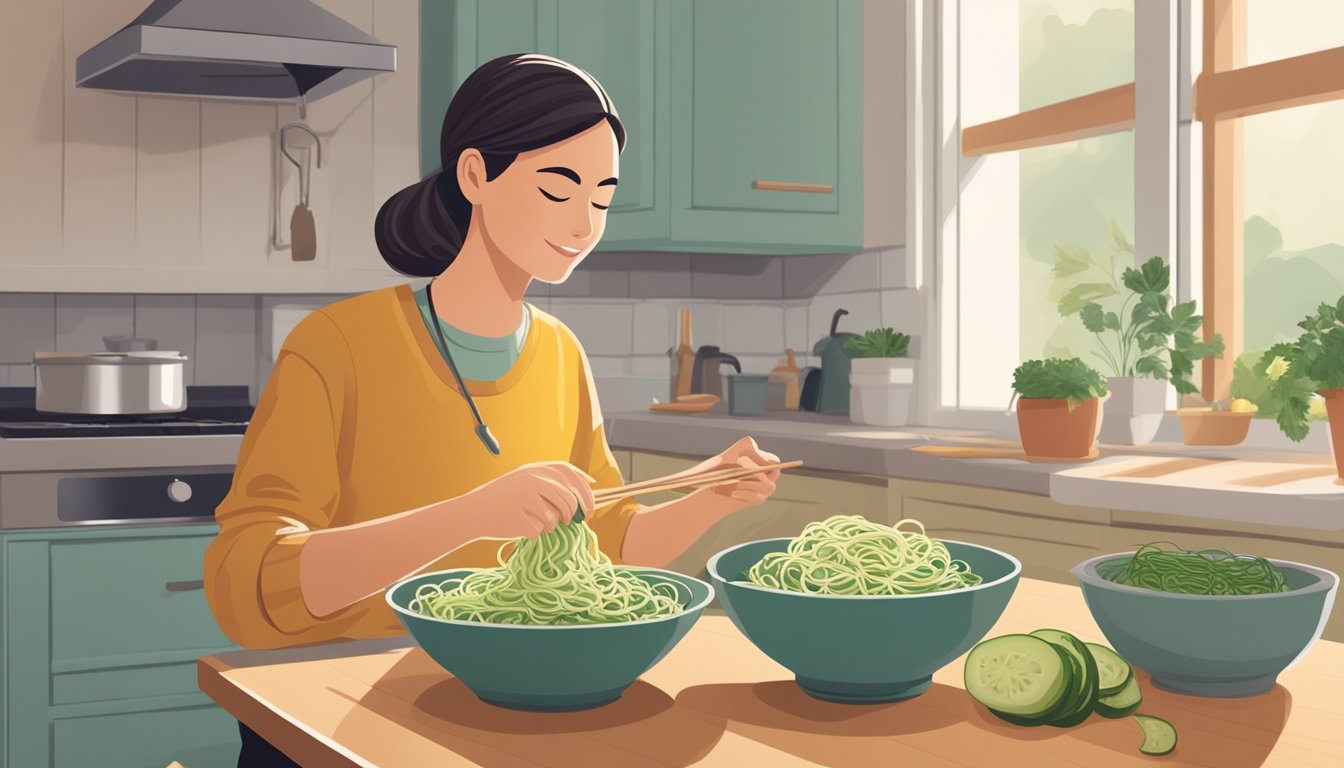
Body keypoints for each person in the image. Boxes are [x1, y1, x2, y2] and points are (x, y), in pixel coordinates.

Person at [203, 53, 780, 767]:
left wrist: (709, 496)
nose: (584, 221)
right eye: (559, 187)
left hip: (515, 710)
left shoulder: (562, 353)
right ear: (476, 174)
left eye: (601, 197)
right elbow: (248, 585)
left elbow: (600, 541)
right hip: (342, 707)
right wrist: (470, 516)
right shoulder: (337, 345)